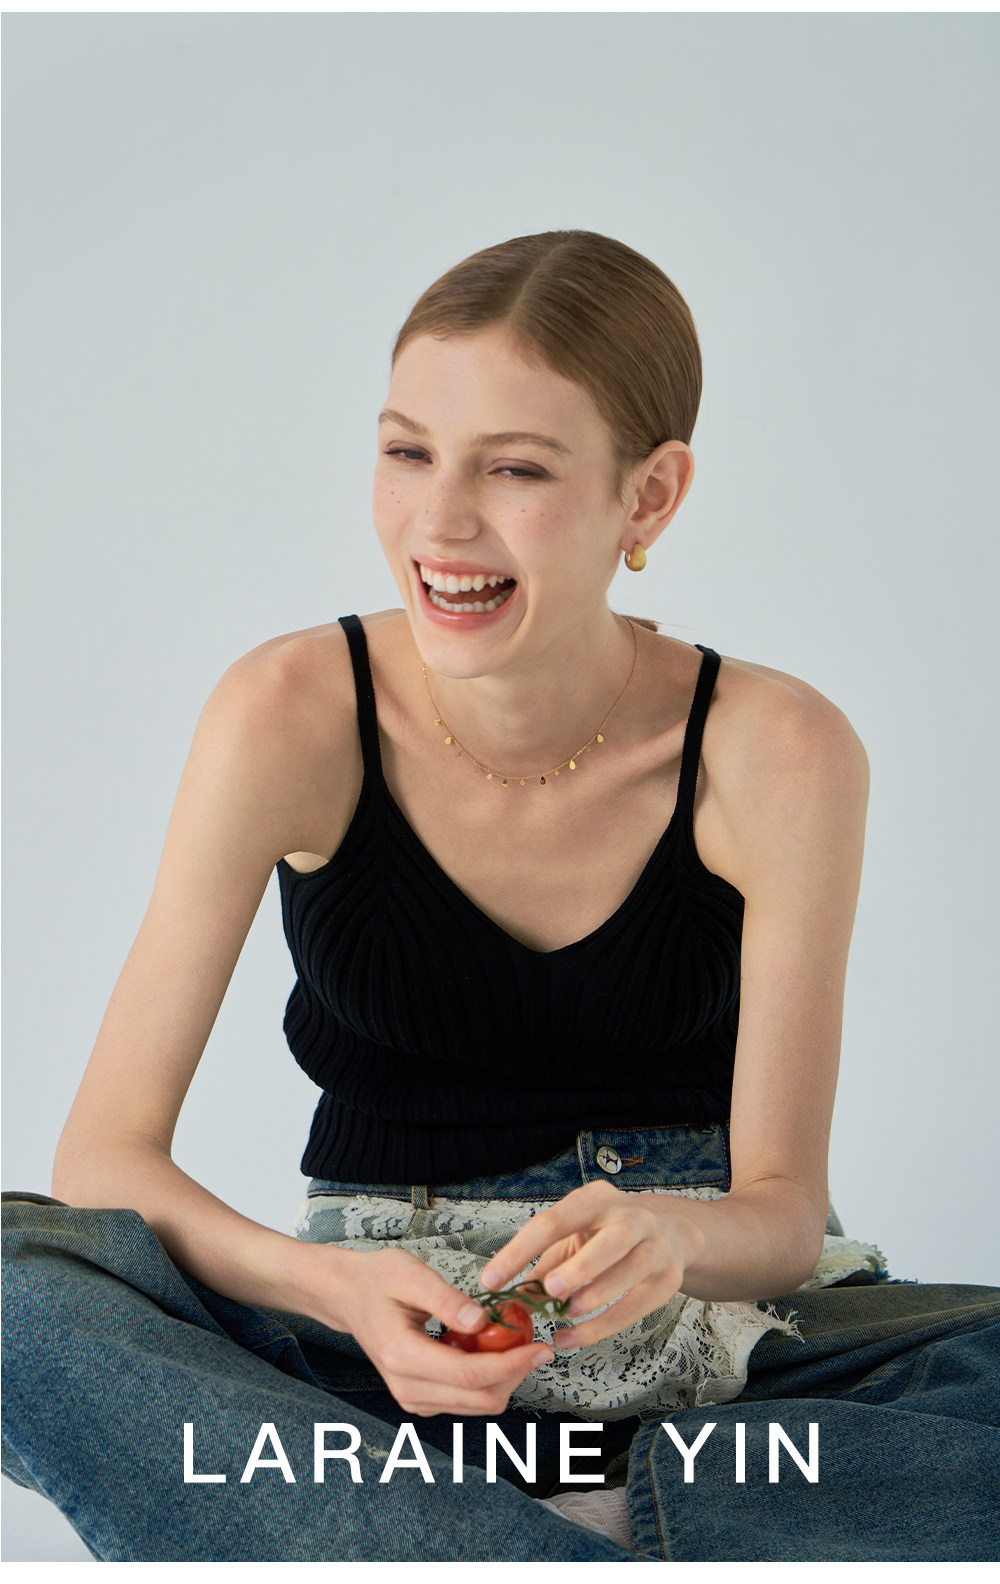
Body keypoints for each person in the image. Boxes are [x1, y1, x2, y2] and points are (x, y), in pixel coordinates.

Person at [3, 230, 998, 1563]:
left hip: (727, 1345)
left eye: (515, 469)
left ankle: (517, 1526)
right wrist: (336, 1289)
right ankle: (628, 1533)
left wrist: (665, 1234)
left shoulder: (780, 750)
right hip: (377, 1354)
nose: (440, 523)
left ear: (650, 497)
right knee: (13, 1294)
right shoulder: (288, 711)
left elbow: (775, 1209)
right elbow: (104, 1161)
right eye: (408, 452)